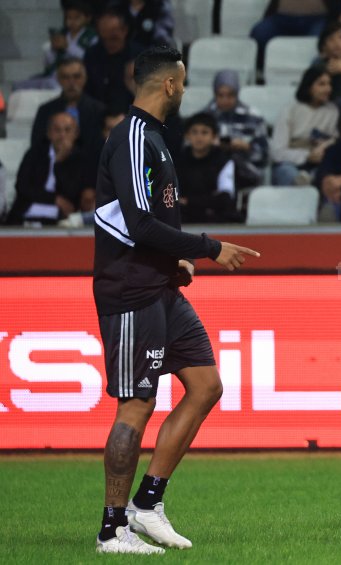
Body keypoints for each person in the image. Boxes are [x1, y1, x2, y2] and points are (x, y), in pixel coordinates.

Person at [92, 45, 259, 555]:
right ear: (169, 84)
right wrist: (208, 248)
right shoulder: (133, 137)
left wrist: (176, 260)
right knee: (136, 403)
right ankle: (112, 530)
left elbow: (144, 223)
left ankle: (147, 504)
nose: (184, 90)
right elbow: (139, 224)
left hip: (161, 285)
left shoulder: (154, 138)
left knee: (206, 385)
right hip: (131, 289)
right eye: (182, 82)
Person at [7, 112, 95, 225]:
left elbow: (72, 193)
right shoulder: (34, 154)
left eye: (67, 130)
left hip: (60, 218)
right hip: (26, 212)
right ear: (49, 133)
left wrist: (60, 162)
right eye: (57, 130)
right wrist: (54, 199)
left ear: (76, 134)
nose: (62, 135)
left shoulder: (83, 160)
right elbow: (22, 186)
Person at [271, 66, 339, 186]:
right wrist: (307, 156)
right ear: (309, 87)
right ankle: (302, 183)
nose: (328, 89)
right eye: (322, 84)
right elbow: (277, 152)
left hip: (319, 163)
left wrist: (324, 148)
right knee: (286, 171)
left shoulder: (332, 111)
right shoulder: (290, 110)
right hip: (291, 163)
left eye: (329, 84)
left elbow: (334, 140)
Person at [175, 112, 241, 224]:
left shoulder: (224, 161)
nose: (199, 137)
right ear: (187, 136)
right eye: (194, 132)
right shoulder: (177, 160)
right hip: (184, 216)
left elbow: (225, 198)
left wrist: (190, 202)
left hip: (214, 217)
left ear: (214, 137)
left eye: (204, 132)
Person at [31, 57, 106, 153]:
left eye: (76, 76)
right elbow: (36, 146)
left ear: (85, 78)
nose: (71, 82)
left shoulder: (99, 110)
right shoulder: (45, 110)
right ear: (58, 79)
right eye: (65, 77)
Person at [204, 70, 269, 173]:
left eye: (230, 95)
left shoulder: (254, 117)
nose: (225, 100)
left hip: (245, 172)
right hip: (209, 171)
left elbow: (264, 155)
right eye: (220, 95)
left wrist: (247, 147)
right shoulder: (204, 116)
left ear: (237, 93)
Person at [250, 0, 332, 78]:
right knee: (260, 33)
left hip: (317, 18)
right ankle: (261, 74)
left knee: (321, 41)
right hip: (282, 18)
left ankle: (319, 76)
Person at [83, 8, 143, 108]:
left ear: (124, 30)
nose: (109, 43)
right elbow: (87, 92)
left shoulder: (140, 55)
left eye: (113, 38)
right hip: (98, 112)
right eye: (104, 39)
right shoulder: (92, 55)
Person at [314, 21, 341, 103]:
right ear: (323, 46)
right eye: (331, 39)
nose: (337, 43)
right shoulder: (318, 63)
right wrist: (326, 72)